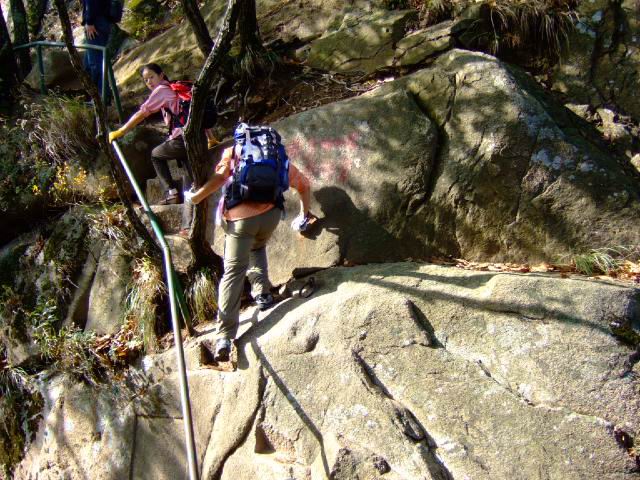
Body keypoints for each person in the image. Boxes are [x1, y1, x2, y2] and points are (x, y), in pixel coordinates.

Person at [186, 123, 315, 362]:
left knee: (233, 272)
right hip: (271, 216)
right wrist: (303, 215)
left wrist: (196, 197)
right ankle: (262, 295)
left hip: (240, 219)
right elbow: (304, 185)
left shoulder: (234, 152)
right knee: (257, 246)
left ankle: (224, 336)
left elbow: (220, 178)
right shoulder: (277, 157)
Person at [108, 63, 216, 213]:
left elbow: (143, 112)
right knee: (193, 180)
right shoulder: (176, 89)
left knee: (156, 155)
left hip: (182, 141)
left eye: (151, 77)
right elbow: (195, 114)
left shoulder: (162, 90)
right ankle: (195, 213)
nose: (149, 82)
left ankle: (172, 193)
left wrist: (121, 131)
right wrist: (210, 138)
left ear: (161, 75)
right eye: (146, 80)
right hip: (197, 139)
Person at [82, 0, 112, 98]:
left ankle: (102, 96)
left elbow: (91, 2)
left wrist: (89, 21)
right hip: (101, 20)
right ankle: (95, 95)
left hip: (96, 23)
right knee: (88, 64)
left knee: (95, 63)